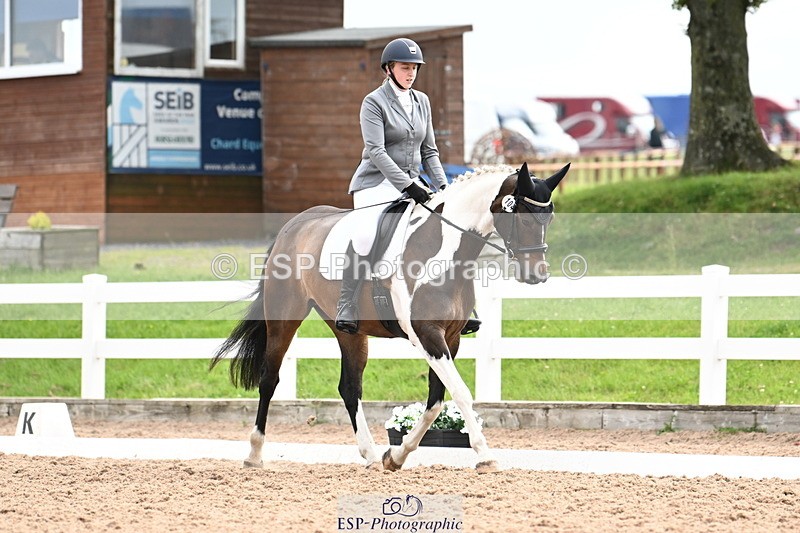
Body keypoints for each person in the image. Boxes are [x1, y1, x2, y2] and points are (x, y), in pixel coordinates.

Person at [335, 37, 480, 336]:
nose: (411, 73)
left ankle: (461, 303)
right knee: (364, 236)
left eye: (414, 67)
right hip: (375, 183)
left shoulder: (422, 101)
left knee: (445, 226)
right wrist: (408, 185)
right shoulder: (373, 102)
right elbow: (376, 151)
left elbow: (430, 152)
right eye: (405, 67)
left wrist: (445, 189)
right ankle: (347, 302)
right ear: (388, 69)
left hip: (415, 182)